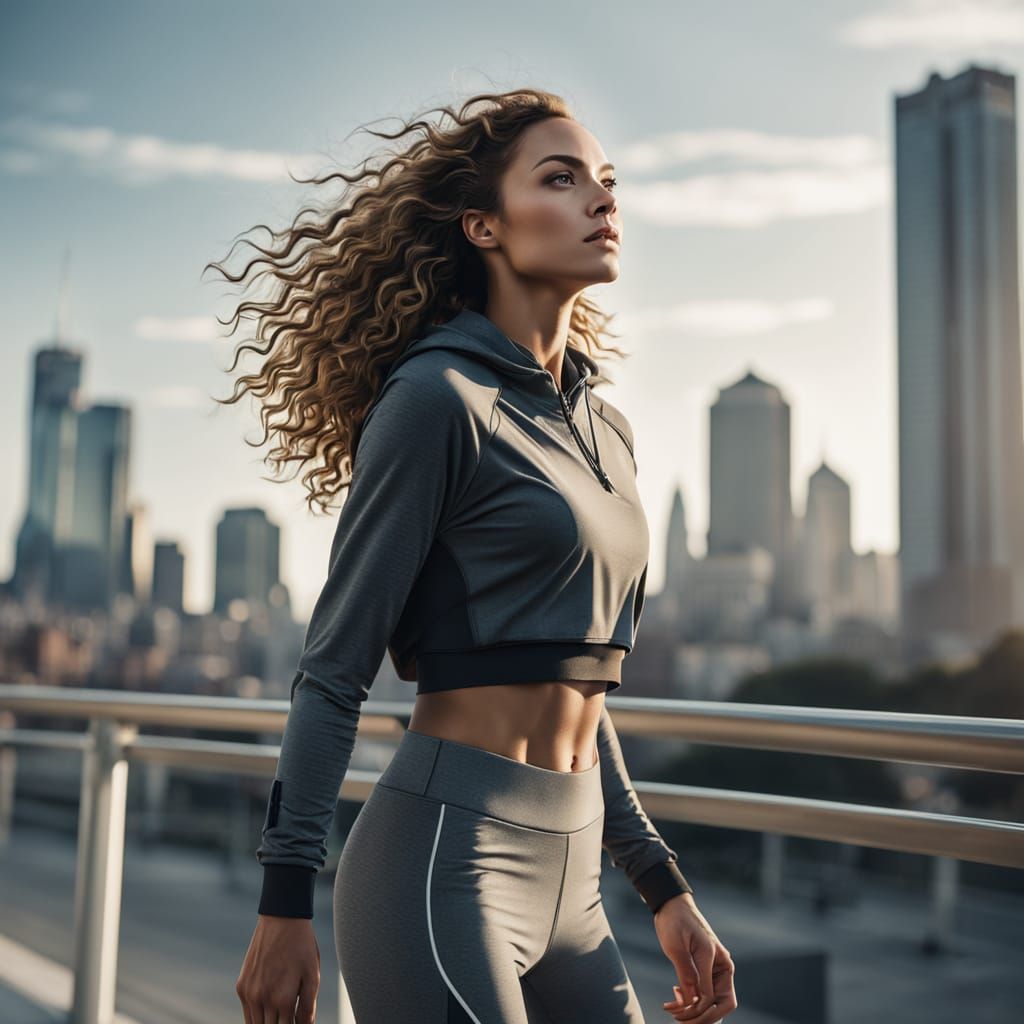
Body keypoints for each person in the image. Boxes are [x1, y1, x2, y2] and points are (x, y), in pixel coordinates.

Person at [214, 87, 738, 1024]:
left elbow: (576, 688)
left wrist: (664, 886)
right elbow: (333, 672)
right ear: (484, 226)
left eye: (607, 180)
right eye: (562, 178)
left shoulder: (608, 432)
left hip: (578, 881)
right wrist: (283, 901)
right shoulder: (437, 400)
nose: (602, 198)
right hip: (440, 863)